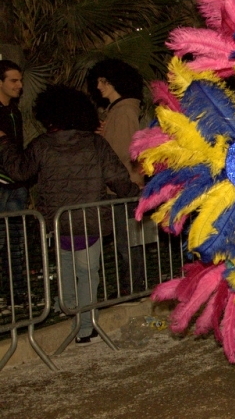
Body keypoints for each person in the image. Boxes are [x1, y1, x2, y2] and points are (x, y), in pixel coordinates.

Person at [0, 85, 140, 344]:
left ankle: (72, 314)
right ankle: (86, 327)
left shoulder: (42, 145)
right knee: (88, 273)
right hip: (90, 220)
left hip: (57, 222)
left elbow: (19, 171)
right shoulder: (95, 143)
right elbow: (118, 179)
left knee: (67, 270)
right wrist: (139, 195)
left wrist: (4, 143)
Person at [87, 59, 145, 294]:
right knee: (126, 240)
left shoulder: (123, 111)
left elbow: (120, 151)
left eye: (103, 81)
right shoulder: (119, 110)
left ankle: (132, 286)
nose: (99, 86)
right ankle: (130, 285)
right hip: (123, 185)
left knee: (127, 242)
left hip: (123, 187)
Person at [0, 60, 28, 308]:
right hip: (3, 184)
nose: (19, 85)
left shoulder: (14, 112)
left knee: (15, 240)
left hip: (16, 183)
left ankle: (16, 293)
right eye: (13, 80)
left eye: (20, 80)